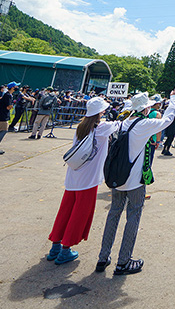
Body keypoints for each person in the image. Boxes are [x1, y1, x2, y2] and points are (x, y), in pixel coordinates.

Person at [96, 88, 175, 275]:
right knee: (133, 216)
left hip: (117, 178)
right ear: (145, 109)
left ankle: (103, 257)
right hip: (134, 181)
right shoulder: (144, 125)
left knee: (113, 214)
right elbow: (167, 120)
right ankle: (123, 261)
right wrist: (173, 98)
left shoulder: (121, 123)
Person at [46, 96, 121, 265]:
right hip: (88, 179)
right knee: (80, 213)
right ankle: (66, 249)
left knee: (66, 210)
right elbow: (124, 124)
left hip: (73, 175)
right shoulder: (102, 127)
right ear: (100, 111)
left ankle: (55, 246)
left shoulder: (82, 126)